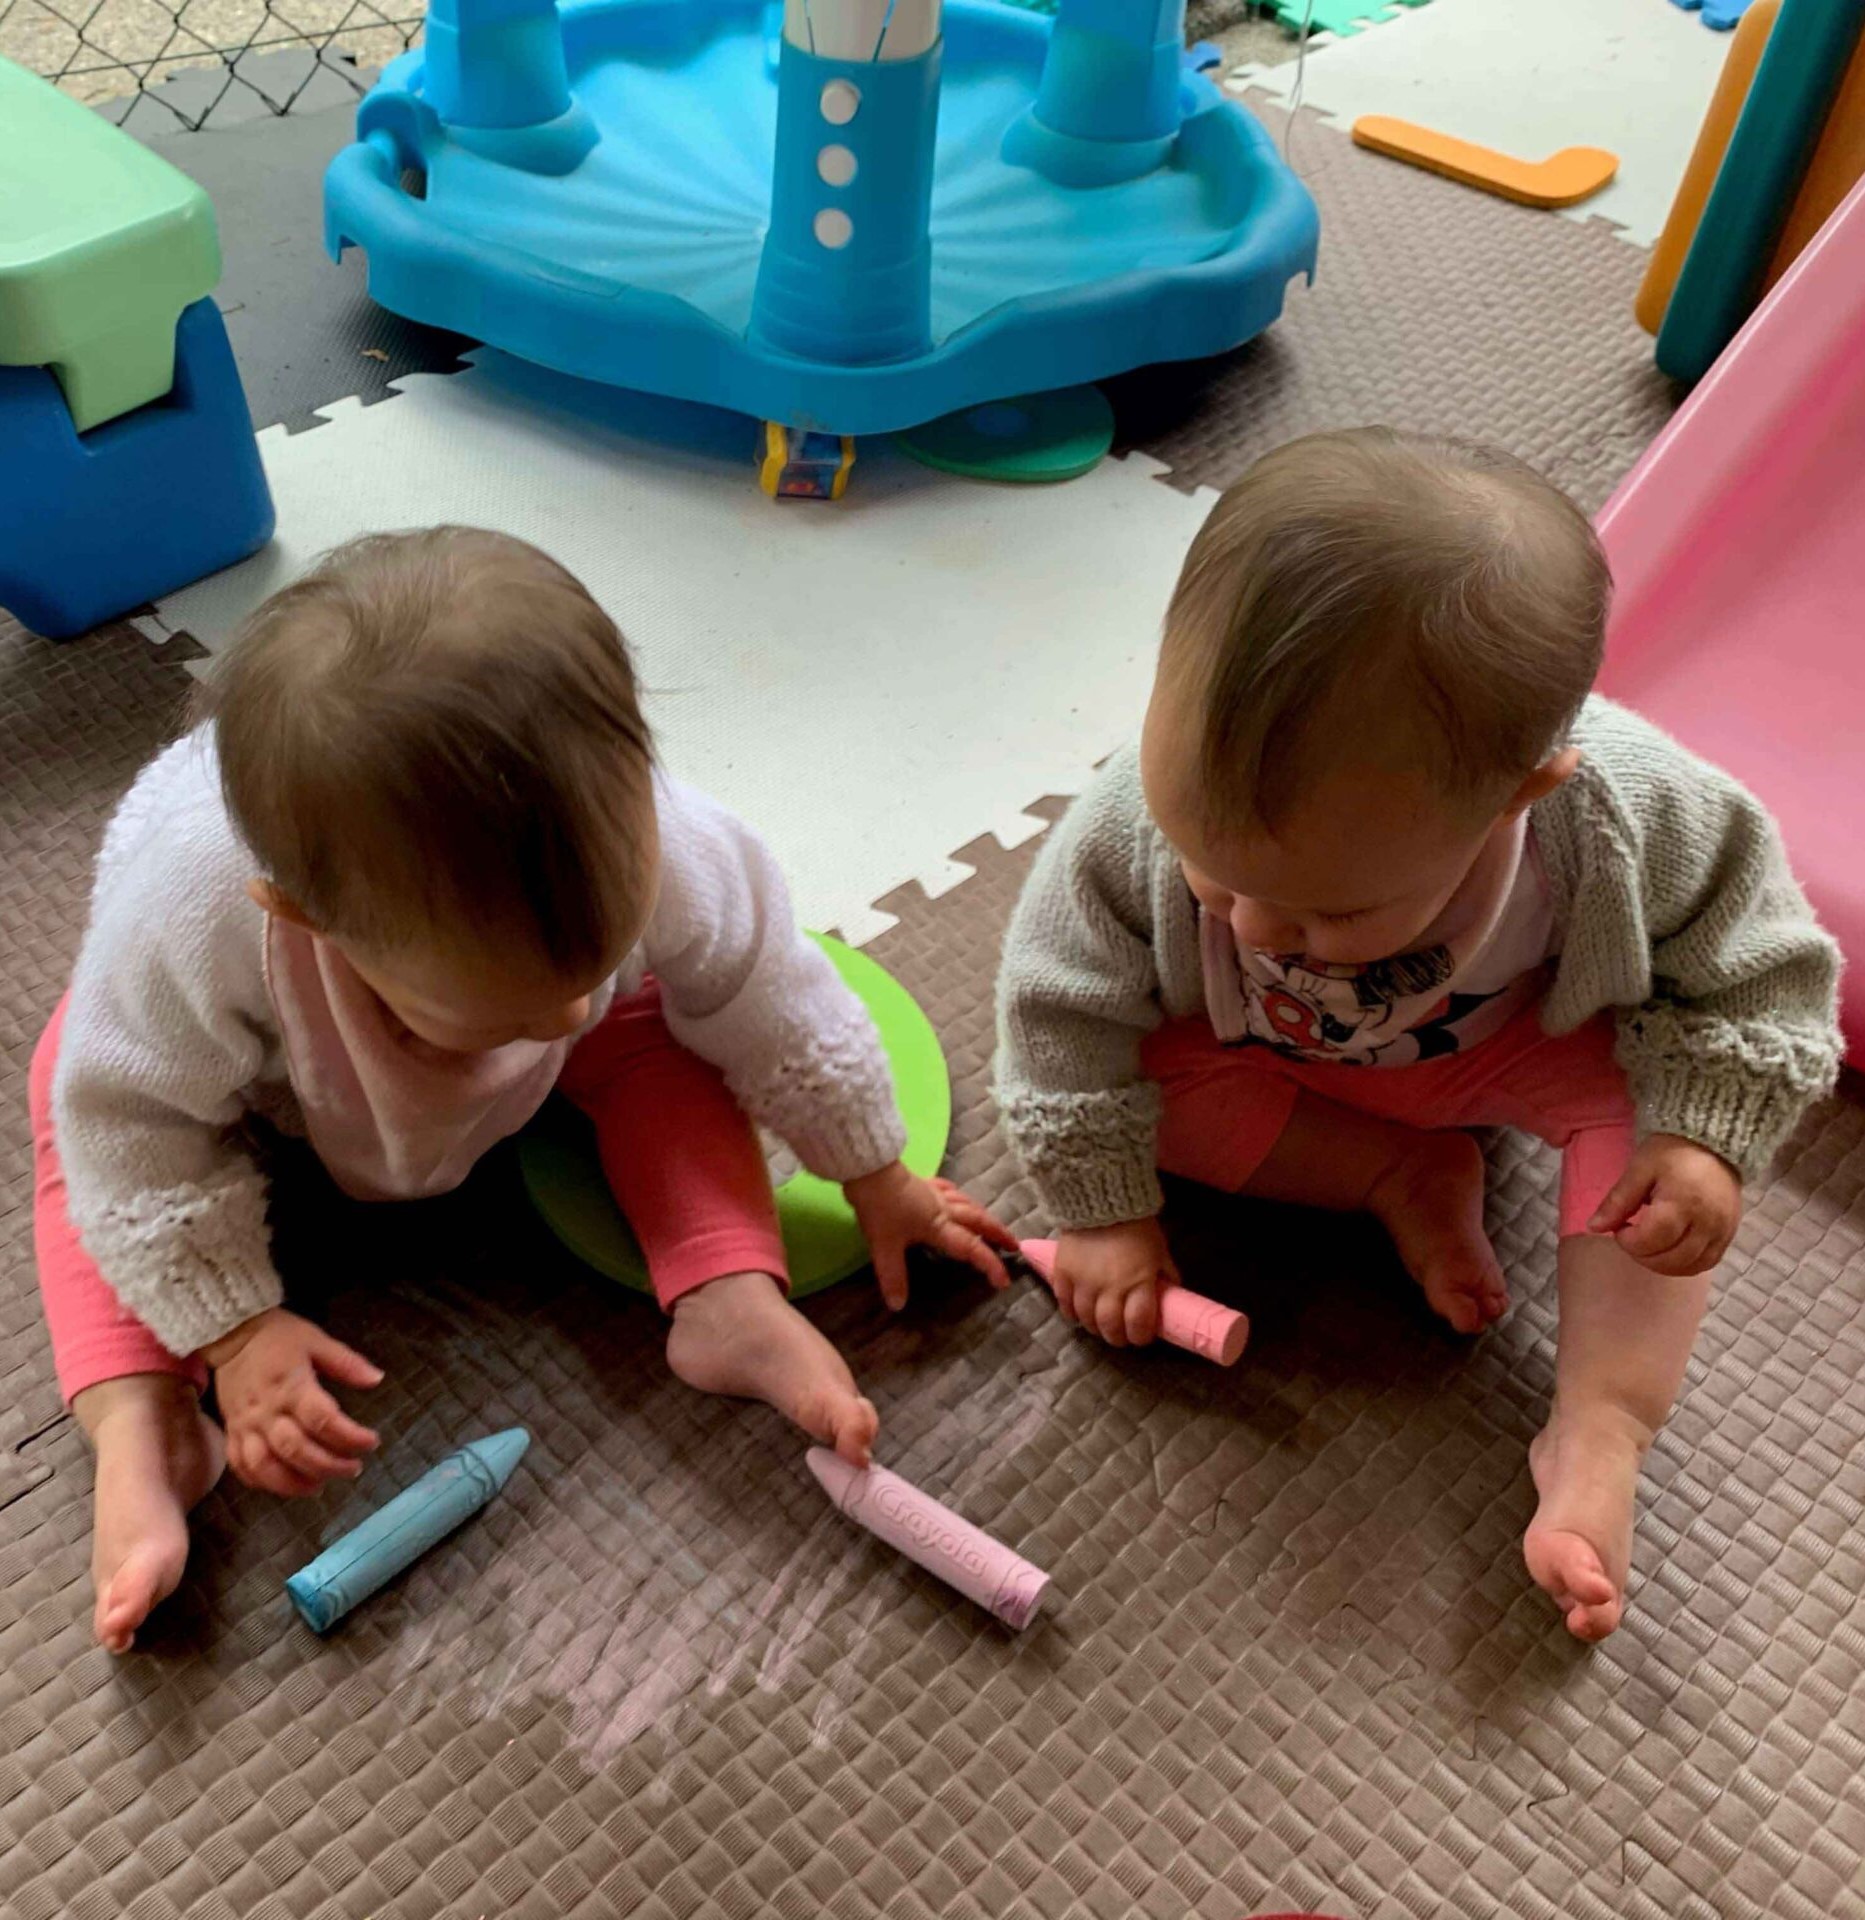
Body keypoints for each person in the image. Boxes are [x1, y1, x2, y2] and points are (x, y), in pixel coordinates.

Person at [34, 526, 1011, 1653]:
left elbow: (767, 989)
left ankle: (729, 1294)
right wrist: (236, 1332)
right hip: (267, 1090)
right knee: (76, 1112)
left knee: (653, 1031)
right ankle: (143, 1423)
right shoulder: (188, 923)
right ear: (312, 923)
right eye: (507, 1008)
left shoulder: (656, 838)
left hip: (470, 1012)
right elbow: (132, 1135)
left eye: (589, 964)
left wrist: (874, 1169)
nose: (562, 1016)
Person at [995, 428, 1842, 1641]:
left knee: (1651, 1152)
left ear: (1518, 794)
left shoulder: (1630, 813)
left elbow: (1763, 968)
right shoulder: (1129, 820)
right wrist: (1099, 1213)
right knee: (1119, 1080)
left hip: (1513, 1056)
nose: (1252, 926)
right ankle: (1394, 1173)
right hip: (1256, 1061)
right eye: (1209, 871)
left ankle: (1599, 1426)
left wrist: (1703, 1138)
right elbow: (1056, 1006)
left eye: (1328, 910)